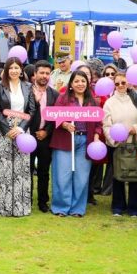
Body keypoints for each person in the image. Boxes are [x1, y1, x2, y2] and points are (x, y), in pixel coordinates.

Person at [49, 71, 101, 217]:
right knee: (62, 175)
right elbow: (53, 117)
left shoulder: (92, 102)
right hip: (65, 140)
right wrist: (64, 124)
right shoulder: (63, 98)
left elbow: (98, 124)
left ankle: (77, 209)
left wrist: (96, 137)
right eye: (77, 81)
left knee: (81, 177)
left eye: (83, 81)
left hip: (85, 141)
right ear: (71, 84)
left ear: (87, 83)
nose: (80, 84)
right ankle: (61, 207)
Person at [0, 57, 37, 217]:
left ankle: (20, 208)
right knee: (4, 168)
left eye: (17, 68)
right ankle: (3, 208)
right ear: (6, 70)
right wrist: (7, 128)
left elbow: (32, 110)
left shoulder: (28, 86)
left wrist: (21, 128)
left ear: (21, 70)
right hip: (3, 130)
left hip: (22, 130)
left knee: (21, 169)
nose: (14, 71)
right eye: (11, 68)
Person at [102, 72, 137, 217]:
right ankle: (118, 207)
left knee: (135, 174)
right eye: (117, 83)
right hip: (117, 144)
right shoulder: (110, 102)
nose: (121, 86)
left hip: (135, 142)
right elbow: (106, 124)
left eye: (124, 83)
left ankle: (134, 208)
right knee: (117, 175)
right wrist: (113, 139)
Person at [29, 60, 58, 213]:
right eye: (42, 73)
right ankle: (26, 200)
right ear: (35, 74)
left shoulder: (55, 94)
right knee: (26, 170)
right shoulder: (26, 91)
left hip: (46, 137)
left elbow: (55, 118)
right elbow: (24, 113)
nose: (44, 76)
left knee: (44, 171)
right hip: (27, 137)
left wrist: (46, 131)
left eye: (47, 73)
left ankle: (42, 202)